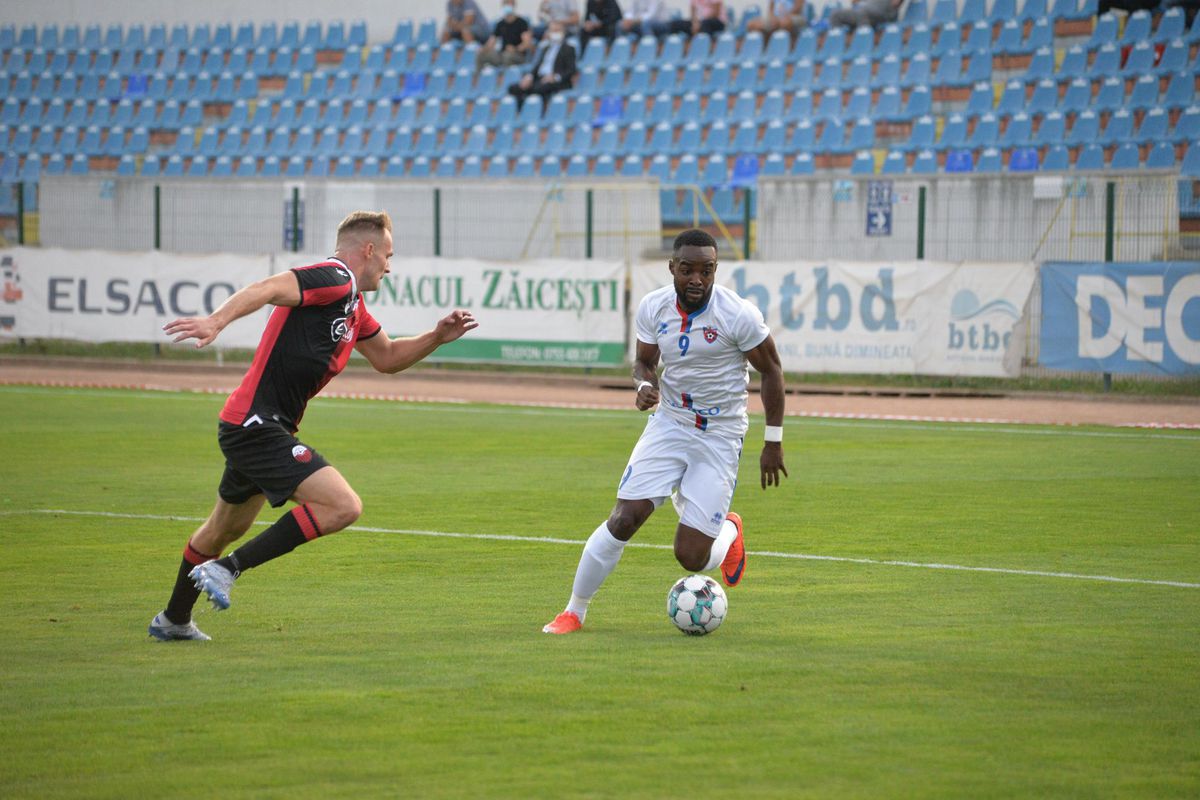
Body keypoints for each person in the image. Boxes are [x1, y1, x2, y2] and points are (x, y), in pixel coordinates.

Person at [147, 211, 479, 641]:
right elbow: (267, 288)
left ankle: (173, 619)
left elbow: (388, 357)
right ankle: (228, 570)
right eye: (389, 256)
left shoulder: (353, 305)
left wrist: (436, 336)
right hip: (255, 425)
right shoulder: (334, 277)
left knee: (223, 529)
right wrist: (216, 321)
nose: (390, 268)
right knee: (343, 506)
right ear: (369, 250)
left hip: (259, 427)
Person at [542, 229, 788, 635]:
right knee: (624, 519)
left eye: (706, 271)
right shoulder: (654, 308)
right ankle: (574, 611)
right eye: (687, 269)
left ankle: (730, 529)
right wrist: (643, 386)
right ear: (671, 268)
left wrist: (772, 443)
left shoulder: (737, 314)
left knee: (691, 556)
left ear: (715, 271)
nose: (697, 279)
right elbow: (643, 362)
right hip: (670, 423)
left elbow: (772, 370)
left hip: (720, 435)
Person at [507, 18, 578, 112]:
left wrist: (555, 77)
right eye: (552, 31)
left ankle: (535, 112)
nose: (555, 33)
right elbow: (538, 66)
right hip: (540, 78)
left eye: (557, 30)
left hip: (555, 81)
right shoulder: (545, 48)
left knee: (538, 88)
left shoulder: (569, 49)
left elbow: (571, 69)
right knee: (514, 88)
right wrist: (530, 76)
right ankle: (522, 114)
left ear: (563, 32)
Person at [476, 0, 536, 70]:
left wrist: (515, 49)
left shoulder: (522, 23)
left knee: (507, 56)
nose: (507, 6)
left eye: (509, 4)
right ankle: (479, 77)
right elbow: (492, 41)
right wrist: (483, 49)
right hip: (502, 54)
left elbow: (527, 43)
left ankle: (506, 78)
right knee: (482, 55)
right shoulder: (500, 24)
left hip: (518, 55)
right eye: (505, 4)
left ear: (514, 5)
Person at [829, 0, 903, 29]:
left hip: (878, 13)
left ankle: (863, 36)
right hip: (862, 10)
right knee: (835, 14)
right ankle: (838, 41)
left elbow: (895, 3)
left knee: (863, 12)